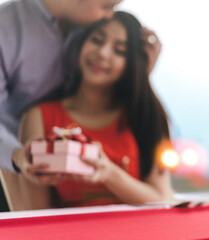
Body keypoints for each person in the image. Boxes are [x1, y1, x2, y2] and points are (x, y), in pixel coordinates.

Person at [18, 11, 172, 209]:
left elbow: (160, 199)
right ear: (80, 43)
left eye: (119, 51)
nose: (103, 53)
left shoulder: (145, 115)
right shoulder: (39, 116)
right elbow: (34, 214)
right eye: (97, 40)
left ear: (131, 63)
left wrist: (108, 173)